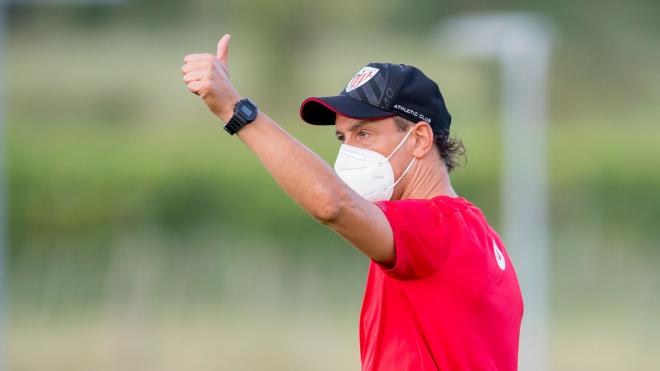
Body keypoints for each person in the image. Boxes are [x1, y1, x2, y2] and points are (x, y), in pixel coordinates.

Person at [182, 34, 524, 371]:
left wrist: (234, 109)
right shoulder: (476, 235)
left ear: (419, 139)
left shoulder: (434, 228)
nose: (349, 152)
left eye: (364, 134)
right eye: (343, 138)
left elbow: (333, 204)